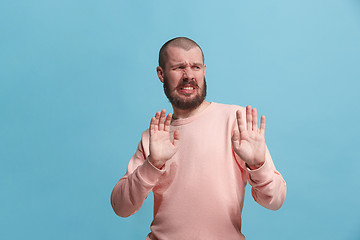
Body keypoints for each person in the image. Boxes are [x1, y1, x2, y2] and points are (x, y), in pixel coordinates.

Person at [111, 37, 286, 240]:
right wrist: (153, 164)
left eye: (195, 67)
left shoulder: (236, 121)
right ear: (161, 74)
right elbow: (121, 207)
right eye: (178, 67)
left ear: (204, 70)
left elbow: (275, 200)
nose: (188, 76)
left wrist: (258, 165)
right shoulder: (154, 137)